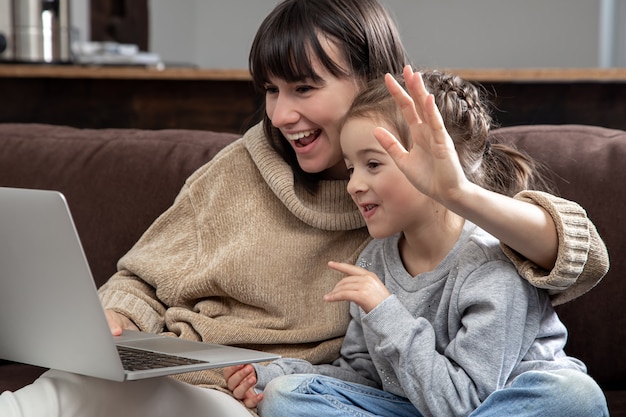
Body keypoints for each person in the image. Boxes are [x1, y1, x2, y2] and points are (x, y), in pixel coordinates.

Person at [0, 0, 608, 416]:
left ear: (377, 83)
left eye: (304, 88)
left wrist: (456, 193)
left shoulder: (437, 194)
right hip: (194, 372)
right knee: (63, 387)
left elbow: (577, 259)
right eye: (271, 90)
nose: (281, 114)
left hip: (244, 401)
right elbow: (141, 278)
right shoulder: (244, 172)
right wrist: (115, 319)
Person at [226, 68, 608, 416]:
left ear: (436, 164)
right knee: (286, 395)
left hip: (496, 406)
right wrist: (270, 372)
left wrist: (386, 310)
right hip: (414, 406)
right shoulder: (374, 261)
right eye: (350, 168)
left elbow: (462, 404)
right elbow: (366, 378)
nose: (354, 185)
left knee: (573, 395)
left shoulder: (492, 264)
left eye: (373, 164)